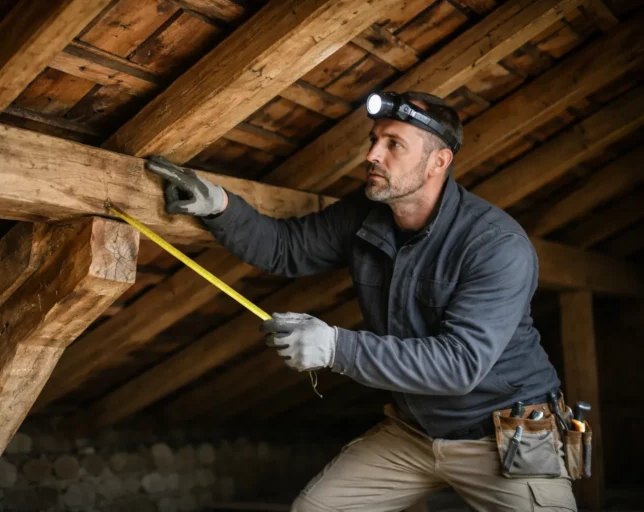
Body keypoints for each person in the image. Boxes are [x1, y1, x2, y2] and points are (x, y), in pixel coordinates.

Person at [145, 91, 577, 511]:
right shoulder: (365, 214)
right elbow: (286, 247)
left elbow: (460, 364)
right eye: (374, 140)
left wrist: (336, 347)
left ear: (438, 162)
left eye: (394, 145)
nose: (372, 155)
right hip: (416, 432)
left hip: (502, 433)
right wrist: (218, 205)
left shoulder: (494, 245)